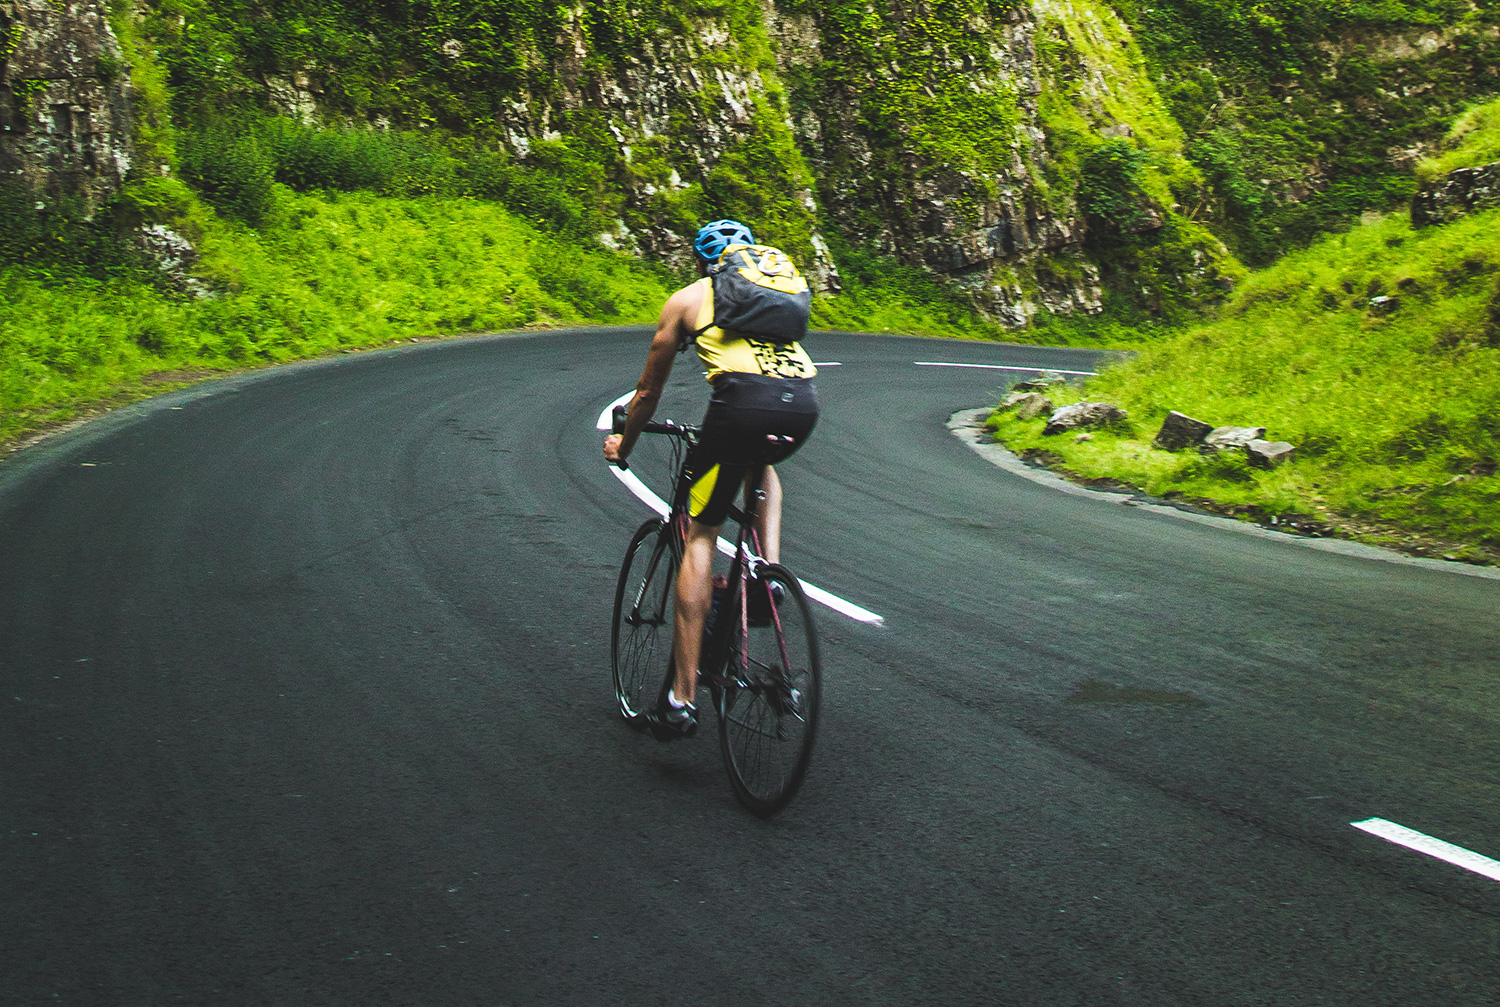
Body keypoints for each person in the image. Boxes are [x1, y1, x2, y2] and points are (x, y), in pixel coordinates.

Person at [603, 219, 819, 739]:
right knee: (758, 463)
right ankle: (766, 572)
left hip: (742, 406)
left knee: (701, 533)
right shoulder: (771, 299)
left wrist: (623, 447)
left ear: (703, 263)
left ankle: (680, 700)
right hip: (802, 405)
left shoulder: (687, 299)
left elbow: (647, 393)